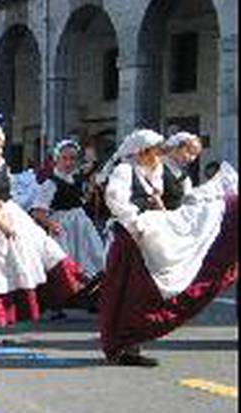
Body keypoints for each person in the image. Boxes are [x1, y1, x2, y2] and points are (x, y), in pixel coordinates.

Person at [98, 129, 237, 366]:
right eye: (156, 151)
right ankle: (123, 345)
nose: (160, 155)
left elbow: (162, 202)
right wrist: (135, 223)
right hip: (131, 239)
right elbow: (115, 199)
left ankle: (130, 344)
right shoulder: (125, 170)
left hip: (150, 236)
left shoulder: (154, 172)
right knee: (128, 294)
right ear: (142, 152)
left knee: (143, 294)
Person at [0, 122, 85, 343]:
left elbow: (11, 192)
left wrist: (18, 217)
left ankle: (71, 289)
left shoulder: (2, 164)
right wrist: (3, 226)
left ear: (0, 143)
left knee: (44, 252)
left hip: (11, 214)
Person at [30, 139, 105, 315]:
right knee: (62, 265)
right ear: (56, 159)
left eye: (72, 158)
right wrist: (51, 224)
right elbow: (38, 212)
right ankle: (56, 304)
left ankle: (92, 298)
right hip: (62, 227)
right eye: (65, 158)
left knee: (95, 257)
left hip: (81, 224)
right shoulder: (50, 183)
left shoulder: (76, 179)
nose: (69, 162)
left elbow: (80, 198)